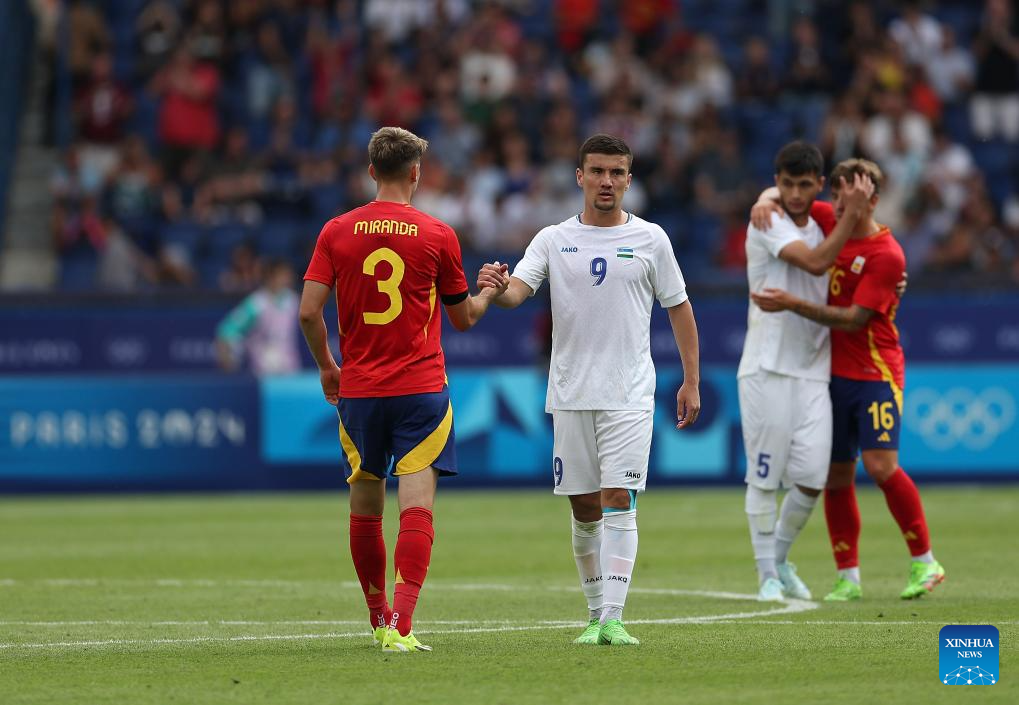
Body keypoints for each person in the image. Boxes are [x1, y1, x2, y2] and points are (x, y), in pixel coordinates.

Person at [478, 134, 701, 646]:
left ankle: (613, 619)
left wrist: (690, 379)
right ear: (579, 177)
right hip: (572, 393)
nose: (606, 181)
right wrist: (496, 285)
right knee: (584, 509)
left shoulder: (651, 239)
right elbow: (518, 292)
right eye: (597, 171)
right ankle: (595, 612)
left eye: (616, 172)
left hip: (629, 392)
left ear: (629, 179)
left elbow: (679, 308)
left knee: (618, 497)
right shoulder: (553, 239)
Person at [298, 127, 508, 653]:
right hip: (420, 390)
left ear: (372, 170)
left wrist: (327, 367)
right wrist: (487, 292)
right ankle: (404, 625)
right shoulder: (438, 234)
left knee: (365, 506)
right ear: (416, 172)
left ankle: (377, 620)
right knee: (416, 507)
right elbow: (462, 318)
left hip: (360, 391)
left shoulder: (336, 231)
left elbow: (307, 313)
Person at [750, 158, 945, 601]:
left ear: (873, 200)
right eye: (836, 195)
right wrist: (764, 198)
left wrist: (792, 303)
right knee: (836, 476)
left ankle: (925, 561)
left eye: (851, 197)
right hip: (831, 375)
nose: (838, 204)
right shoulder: (827, 218)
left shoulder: (887, 254)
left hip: (875, 373)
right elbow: (789, 195)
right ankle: (848, 577)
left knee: (880, 467)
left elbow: (856, 319)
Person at [738, 142, 873, 602]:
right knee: (763, 478)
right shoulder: (768, 220)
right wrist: (766, 199)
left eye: (803, 185)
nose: (794, 194)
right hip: (767, 367)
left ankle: (778, 560)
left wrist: (852, 213)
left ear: (818, 185)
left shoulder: (823, 222)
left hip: (814, 369)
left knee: (814, 480)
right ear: (777, 182)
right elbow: (816, 263)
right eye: (785, 184)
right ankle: (765, 577)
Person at [216, 258, 301, 375]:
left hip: (290, 370)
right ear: (270, 277)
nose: (287, 280)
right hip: (262, 372)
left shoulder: (293, 300)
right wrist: (227, 358)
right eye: (282, 275)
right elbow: (227, 330)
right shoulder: (256, 303)